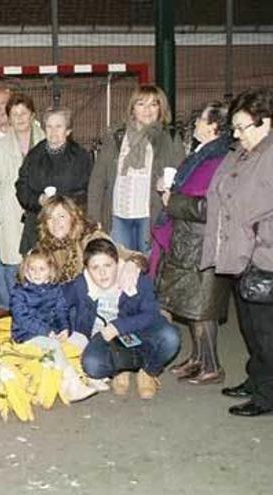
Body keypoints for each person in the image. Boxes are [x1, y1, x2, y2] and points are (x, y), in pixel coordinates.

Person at [201, 88, 273, 417]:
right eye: (235, 127)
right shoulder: (242, 151)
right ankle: (256, 378)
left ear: (266, 123)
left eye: (243, 127)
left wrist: (262, 240)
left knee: (266, 332)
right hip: (239, 254)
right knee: (249, 326)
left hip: (264, 256)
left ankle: (267, 394)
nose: (236, 134)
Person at [154, 101, 232, 385]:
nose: (195, 123)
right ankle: (198, 358)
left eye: (200, 119)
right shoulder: (202, 154)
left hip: (202, 243)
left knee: (203, 309)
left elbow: (210, 207)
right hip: (188, 242)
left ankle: (212, 366)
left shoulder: (219, 160)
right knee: (192, 306)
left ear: (214, 126)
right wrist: (171, 189)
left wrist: (171, 200)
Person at [64, 238, 180, 399]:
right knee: (92, 365)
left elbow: (152, 313)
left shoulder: (134, 279)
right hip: (103, 337)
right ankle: (120, 369)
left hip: (134, 331)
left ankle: (148, 372)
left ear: (117, 263)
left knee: (170, 337)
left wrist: (118, 326)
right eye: (95, 267)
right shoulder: (81, 284)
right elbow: (58, 304)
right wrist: (59, 328)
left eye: (108, 265)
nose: (102, 273)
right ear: (87, 269)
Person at [88, 84, 185, 254]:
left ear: (161, 108)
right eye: (141, 104)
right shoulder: (116, 137)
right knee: (121, 265)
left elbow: (182, 175)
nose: (147, 110)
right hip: (118, 214)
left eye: (153, 104)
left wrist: (169, 183)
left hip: (152, 217)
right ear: (132, 108)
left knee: (149, 269)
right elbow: (98, 179)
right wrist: (94, 218)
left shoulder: (170, 137)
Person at [10, 249, 98, 400]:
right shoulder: (20, 292)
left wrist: (65, 328)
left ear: (50, 271)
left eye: (41, 269)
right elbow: (22, 318)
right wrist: (46, 331)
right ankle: (69, 384)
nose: (36, 273)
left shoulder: (55, 288)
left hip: (52, 330)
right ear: (26, 270)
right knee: (53, 346)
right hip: (27, 335)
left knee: (81, 339)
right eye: (32, 269)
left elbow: (61, 309)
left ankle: (90, 375)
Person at [0, 92, 44, 320]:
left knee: (39, 263)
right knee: (9, 265)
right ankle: (15, 309)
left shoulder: (47, 142)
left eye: (24, 113)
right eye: (14, 114)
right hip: (9, 215)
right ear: (8, 117)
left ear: (32, 115)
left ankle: (39, 310)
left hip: (40, 214)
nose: (19, 118)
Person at [16, 107, 94, 254]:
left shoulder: (80, 156)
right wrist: (38, 199)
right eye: (49, 126)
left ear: (68, 130)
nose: (53, 131)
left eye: (59, 126)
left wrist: (61, 205)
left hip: (70, 226)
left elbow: (88, 190)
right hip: (38, 225)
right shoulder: (34, 155)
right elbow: (22, 185)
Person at [35, 195, 145, 285]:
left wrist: (132, 264)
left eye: (61, 216)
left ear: (73, 218)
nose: (56, 223)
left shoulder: (91, 239)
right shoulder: (45, 246)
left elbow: (136, 257)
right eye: (50, 218)